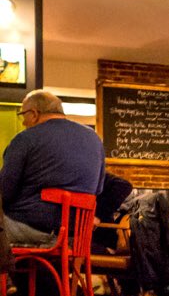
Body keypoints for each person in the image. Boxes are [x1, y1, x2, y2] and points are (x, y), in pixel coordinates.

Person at [1, 90, 106, 249]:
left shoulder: (25, 139)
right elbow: (98, 189)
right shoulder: (94, 139)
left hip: (32, 229)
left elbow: (4, 192)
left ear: (34, 113)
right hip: (77, 235)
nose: (23, 123)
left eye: (23, 115)